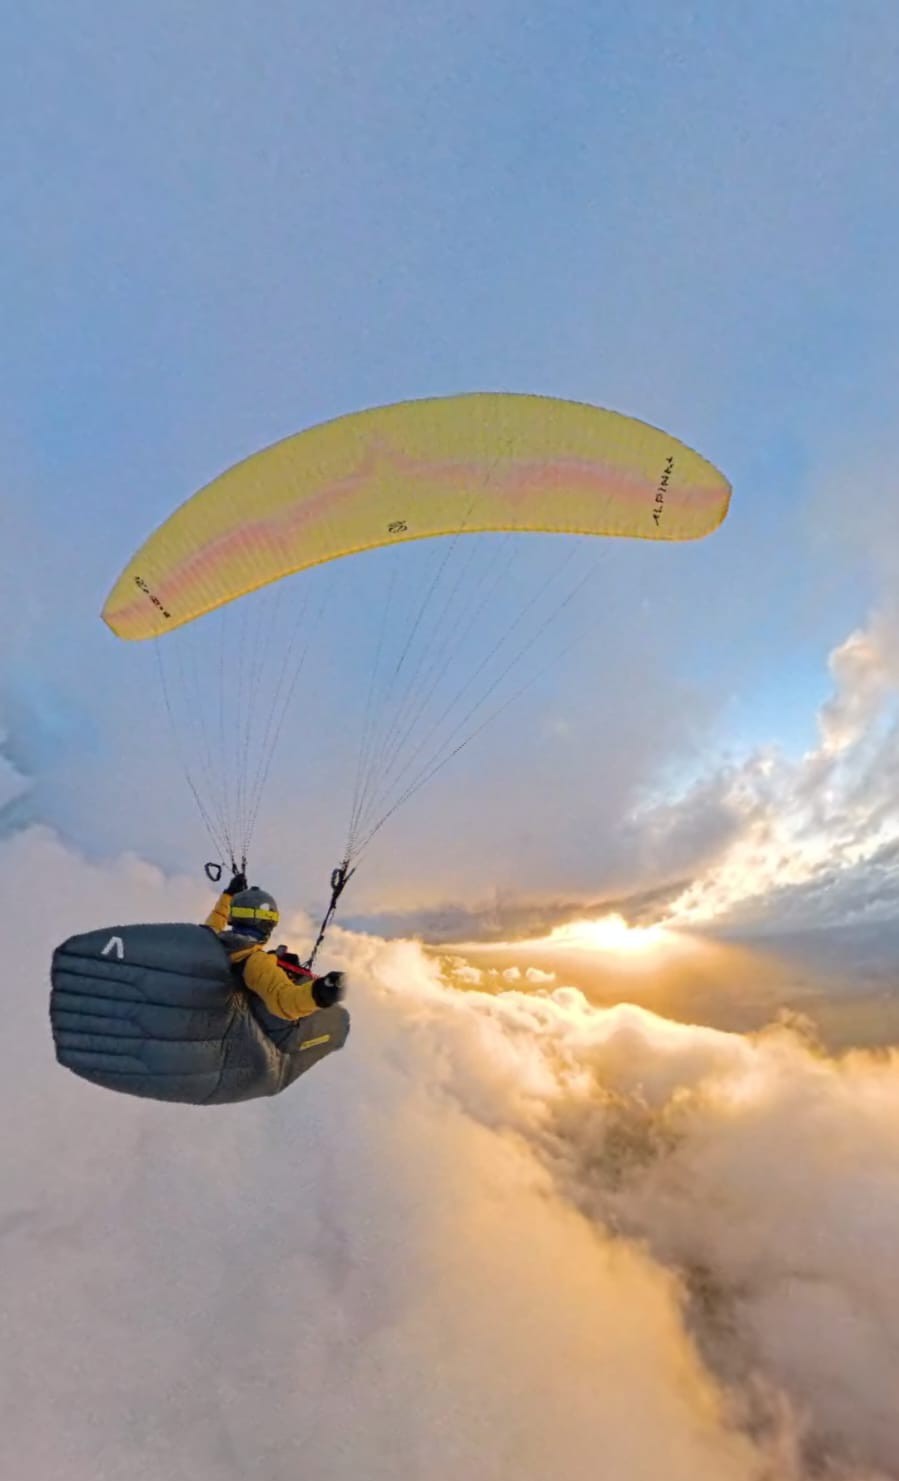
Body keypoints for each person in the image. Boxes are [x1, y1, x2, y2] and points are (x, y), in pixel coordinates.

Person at [205, 870, 345, 1021]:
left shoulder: (210, 941)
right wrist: (321, 992)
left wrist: (229, 895)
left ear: (232, 917)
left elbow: (214, 923)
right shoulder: (256, 962)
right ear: (268, 924)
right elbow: (284, 1000)